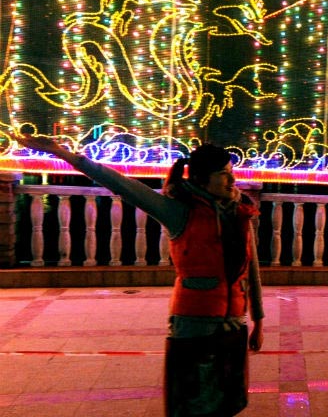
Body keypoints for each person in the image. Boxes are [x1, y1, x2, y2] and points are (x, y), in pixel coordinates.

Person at [13, 132, 264, 416]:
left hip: (234, 322)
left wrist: (259, 319)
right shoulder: (178, 211)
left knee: (226, 401)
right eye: (223, 174)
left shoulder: (240, 210)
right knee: (192, 404)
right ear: (201, 179)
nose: (232, 180)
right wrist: (63, 153)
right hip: (195, 324)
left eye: (231, 173)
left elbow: (251, 268)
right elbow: (122, 184)